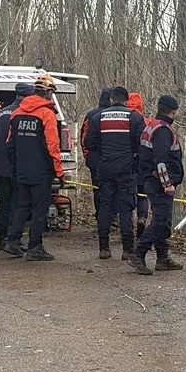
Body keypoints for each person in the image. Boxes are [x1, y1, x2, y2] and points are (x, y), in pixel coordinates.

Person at [3, 74, 65, 261]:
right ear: (49, 93)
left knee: (22, 206)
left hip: (21, 169)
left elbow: (9, 143)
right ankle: (35, 247)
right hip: (41, 172)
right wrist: (59, 173)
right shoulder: (47, 114)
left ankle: (12, 241)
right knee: (39, 209)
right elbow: (52, 146)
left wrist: (16, 166)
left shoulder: (17, 113)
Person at [85, 86, 145, 260]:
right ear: (126, 100)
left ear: (111, 100)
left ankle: (104, 248)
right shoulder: (134, 117)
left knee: (105, 207)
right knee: (125, 208)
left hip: (105, 169)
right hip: (127, 170)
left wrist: (104, 155)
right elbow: (140, 143)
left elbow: (90, 143)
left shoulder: (98, 117)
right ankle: (127, 249)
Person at [128, 95, 184, 275]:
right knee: (160, 221)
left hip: (152, 180)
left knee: (164, 220)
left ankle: (162, 257)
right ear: (173, 112)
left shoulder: (152, 125)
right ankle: (138, 252)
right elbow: (161, 161)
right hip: (159, 182)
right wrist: (167, 183)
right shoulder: (163, 130)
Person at [0, 82, 33, 250]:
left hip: (1, 166)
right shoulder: (22, 113)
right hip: (17, 165)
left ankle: (2, 238)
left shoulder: (1, 113)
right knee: (18, 204)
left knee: (4, 203)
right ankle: (13, 238)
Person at [80, 88, 112, 217]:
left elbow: (84, 136)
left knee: (97, 189)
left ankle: (100, 215)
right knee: (112, 188)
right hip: (112, 159)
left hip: (94, 160)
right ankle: (112, 215)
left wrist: (87, 154)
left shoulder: (91, 114)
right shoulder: (114, 115)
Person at [127, 92, 151, 237]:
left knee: (128, 195)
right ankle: (142, 218)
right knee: (143, 194)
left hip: (128, 163)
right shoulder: (147, 121)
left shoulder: (123, 120)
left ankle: (128, 224)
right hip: (144, 164)